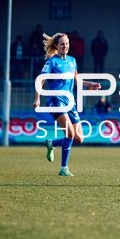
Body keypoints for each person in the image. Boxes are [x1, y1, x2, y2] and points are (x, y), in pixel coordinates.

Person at [33, 32, 102, 177]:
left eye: (67, 43)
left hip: (70, 102)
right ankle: (64, 168)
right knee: (69, 134)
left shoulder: (72, 61)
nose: (65, 46)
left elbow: (77, 81)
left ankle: (51, 143)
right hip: (55, 100)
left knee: (79, 138)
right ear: (56, 46)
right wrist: (37, 98)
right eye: (62, 44)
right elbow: (40, 80)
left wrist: (92, 84)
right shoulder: (51, 62)